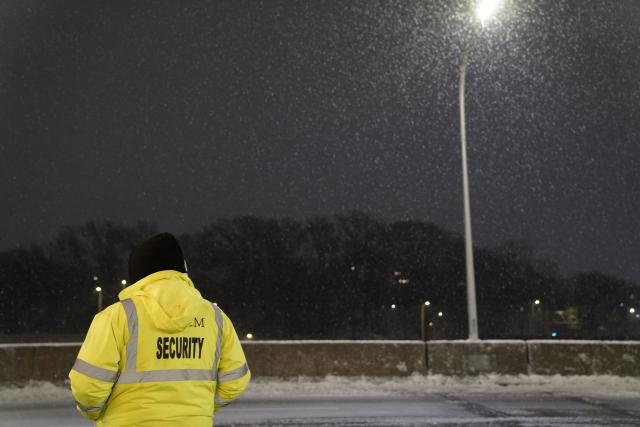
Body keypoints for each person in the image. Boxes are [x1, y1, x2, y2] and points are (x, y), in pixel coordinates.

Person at [69, 233, 250, 426]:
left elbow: (87, 387)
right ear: (183, 270)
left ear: (138, 274)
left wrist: (100, 413)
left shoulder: (116, 317)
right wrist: (198, 408)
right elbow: (235, 380)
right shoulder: (215, 317)